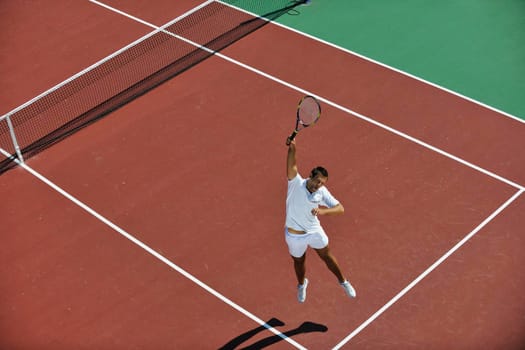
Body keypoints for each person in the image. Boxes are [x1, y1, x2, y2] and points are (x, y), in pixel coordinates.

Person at [285, 136, 356, 303]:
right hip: (294, 235)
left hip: (314, 231)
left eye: (322, 183)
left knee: (327, 256)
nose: (318, 185)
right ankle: (302, 284)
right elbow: (292, 163)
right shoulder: (295, 183)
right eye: (317, 181)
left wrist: (323, 211)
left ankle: (344, 282)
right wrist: (292, 147)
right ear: (310, 176)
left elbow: (340, 208)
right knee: (299, 262)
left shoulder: (321, 193)